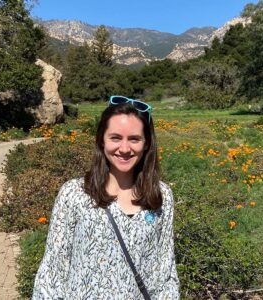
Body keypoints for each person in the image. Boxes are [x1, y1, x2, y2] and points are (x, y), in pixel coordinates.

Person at [32, 96, 180, 300]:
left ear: (146, 144)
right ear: (102, 141)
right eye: (115, 138)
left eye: (134, 139)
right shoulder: (75, 194)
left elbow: (166, 270)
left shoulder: (161, 195)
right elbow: (52, 270)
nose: (125, 148)